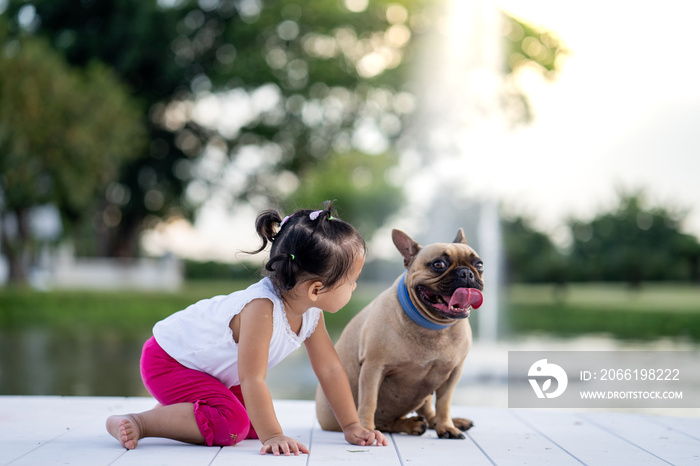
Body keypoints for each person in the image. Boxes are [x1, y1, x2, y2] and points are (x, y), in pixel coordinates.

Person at [106, 203, 387, 456]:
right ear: (315, 289)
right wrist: (274, 435)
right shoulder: (261, 309)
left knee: (252, 423)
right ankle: (139, 421)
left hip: (209, 373)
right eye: (351, 281)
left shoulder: (311, 313)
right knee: (233, 425)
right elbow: (252, 379)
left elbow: (329, 369)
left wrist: (351, 424)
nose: (355, 286)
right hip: (169, 361)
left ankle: (179, 411)